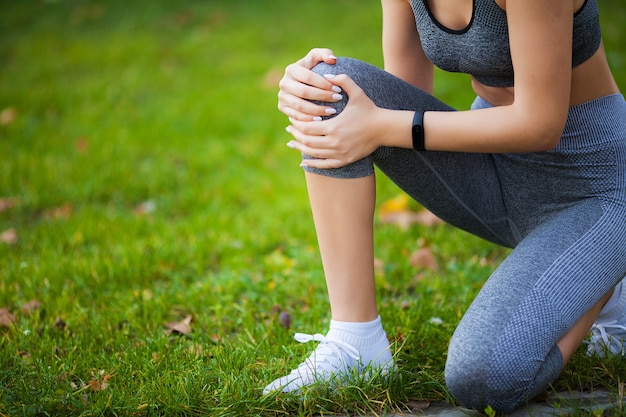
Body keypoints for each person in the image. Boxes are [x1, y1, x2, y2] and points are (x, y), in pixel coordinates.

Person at [263, 0, 626, 413]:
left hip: (593, 191)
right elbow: (399, 100)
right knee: (327, 86)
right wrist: (308, 90)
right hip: (493, 166)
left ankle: (604, 286)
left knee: (482, 379)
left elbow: (539, 123)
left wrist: (379, 124)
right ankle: (355, 340)